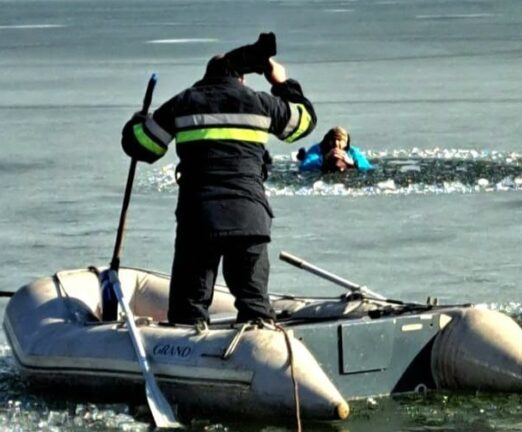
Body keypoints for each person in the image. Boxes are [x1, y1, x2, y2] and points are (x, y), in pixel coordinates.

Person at [121, 33, 316, 325]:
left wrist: (138, 119)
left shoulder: (184, 102)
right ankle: (259, 355)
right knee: (255, 308)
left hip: (200, 219)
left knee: (189, 309)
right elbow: (303, 123)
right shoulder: (260, 103)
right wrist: (283, 84)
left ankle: (187, 359)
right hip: (249, 217)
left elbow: (142, 147)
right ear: (241, 79)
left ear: (206, 76)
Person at [298, 126, 372, 173]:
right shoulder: (317, 149)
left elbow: (368, 167)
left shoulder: (352, 151)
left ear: (346, 143)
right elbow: (304, 166)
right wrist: (325, 159)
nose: (336, 143)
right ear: (327, 140)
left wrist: (351, 163)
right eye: (332, 140)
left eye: (339, 140)